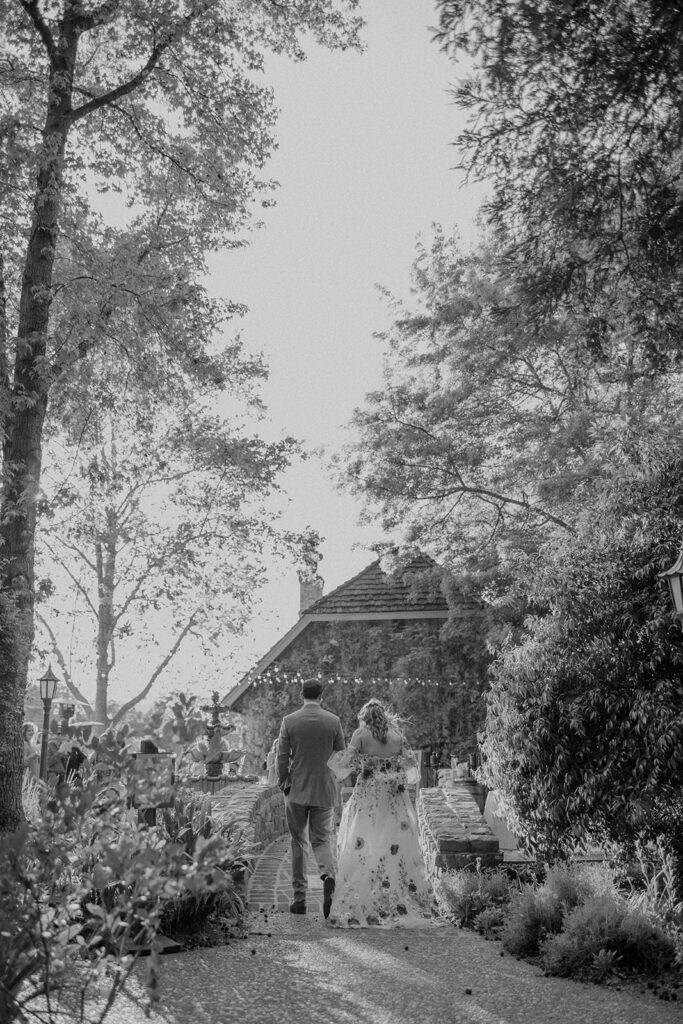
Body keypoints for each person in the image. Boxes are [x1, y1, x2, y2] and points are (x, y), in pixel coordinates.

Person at [326, 698, 442, 929]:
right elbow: (411, 770)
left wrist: (348, 761)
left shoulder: (360, 735)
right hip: (393, 795)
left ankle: (366, 899)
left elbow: (343, 766)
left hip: (368, 795)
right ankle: (394, 897)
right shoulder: (397, 736)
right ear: (384, 715)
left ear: (364, 717)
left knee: (363, 840)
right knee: (393, 843)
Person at [277, 678, 345, 917]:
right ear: (321, 696)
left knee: (298, 843)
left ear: (301, 694)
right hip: (324, 789)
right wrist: (332, 777)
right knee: (321, 840)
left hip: (296, 789)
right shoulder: (333, 721)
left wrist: (283, 782)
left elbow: (282, 757)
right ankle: (327, 875)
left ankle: (299, 899)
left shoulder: (289, 721)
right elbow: (341, 756)